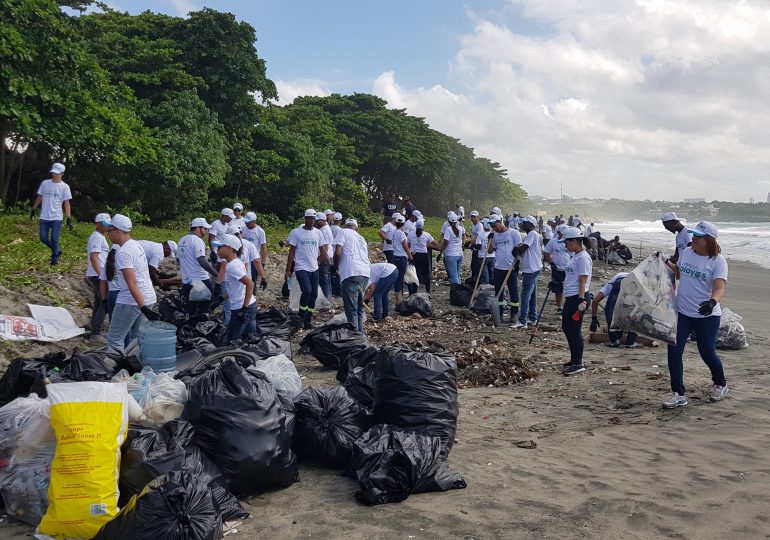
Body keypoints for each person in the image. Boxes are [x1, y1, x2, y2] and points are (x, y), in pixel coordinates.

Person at [662, 221, 728, 409]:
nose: (694, 239)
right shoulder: (688, 253)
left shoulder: (718, 261)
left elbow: (719, 287)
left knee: (707, 352)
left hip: (707, 314)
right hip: (683, 312)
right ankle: (678, 393)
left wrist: (712, 302)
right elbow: (679, 273)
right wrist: (665, 262)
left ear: (709, 241)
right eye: (694, 235)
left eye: (698, 237)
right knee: (674, 350)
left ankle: (720, 384)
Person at [106, 214, 159, 353]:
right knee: (139, 339)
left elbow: (132, 283)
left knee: (114, 339)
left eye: (109, 230)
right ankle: (138, 371)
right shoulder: (137, 245)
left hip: (131, 301)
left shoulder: (123, 252)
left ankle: (115, 370)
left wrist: (143, 308)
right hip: (148, 297)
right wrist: (145, 306)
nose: (108, 234)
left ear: (118, 230)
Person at [286, 209, 329, 329]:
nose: (312, 221)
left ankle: (308, 319)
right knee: (307, 291)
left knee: (314, 294)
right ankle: (301, 316)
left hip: (314, 268)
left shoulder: (318, 233)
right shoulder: (296, 232)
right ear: (305, 218)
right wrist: (288, 269)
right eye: (309, 218)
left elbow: (323, 250)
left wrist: (325, 263)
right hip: (301, 267)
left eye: (313, 219)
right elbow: (292, 251)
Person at [559, 227, 593, 375]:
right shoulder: (575, 256)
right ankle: (574, 359)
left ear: (574, 241)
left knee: (574, 330)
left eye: (566, 242)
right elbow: (571, 276)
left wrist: (581, 301)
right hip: (571, 296)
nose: (565, 245)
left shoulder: (583, 258)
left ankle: (578, 364)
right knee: (567, 328)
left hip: (578, 298)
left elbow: (582, 281)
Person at [216, 234, 257, 343]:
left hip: (242, 307)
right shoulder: (235, 263)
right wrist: (222, 297)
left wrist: (244, 309)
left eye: (220, 247)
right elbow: (237, 287)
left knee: (231, 341)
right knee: (251, 339)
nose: (217, 250)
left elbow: (250, 284)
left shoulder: (232, 266)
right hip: (249, 305)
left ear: (230, 248)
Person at [30, 162, 72, 265]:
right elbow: (40, 197)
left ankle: (54, 258)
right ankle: (57, 250)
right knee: (43, 237)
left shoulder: (65, 187)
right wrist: (33, 209)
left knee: (54, 238)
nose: (54, 175)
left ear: (62, 174)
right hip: (44, 216)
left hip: (56, 217)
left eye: (57, 173)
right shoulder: (45, 183)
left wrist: (69, 218)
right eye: (53, 173)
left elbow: (67, 203)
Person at [334, 218, 371, 332]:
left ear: (346, 225)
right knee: (359, 307)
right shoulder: (361, 238)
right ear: (356, 227)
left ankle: (355, 337)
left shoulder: (342, 232)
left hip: (351, 273)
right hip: (364, 273)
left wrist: (335, 266)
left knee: (351, 308)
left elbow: (338, 252)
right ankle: (361, 334)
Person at [177, 218, 218, 315]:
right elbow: (201, 260)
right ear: (198, 228)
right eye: (205, 229)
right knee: (204, 311)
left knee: (191, 310)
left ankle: (190, 329)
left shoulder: (182, 240)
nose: (206, 232)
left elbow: (179, 259)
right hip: (200, 280)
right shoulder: (198, 241)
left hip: (187, 281)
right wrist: (216, 274)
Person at [488, 214, 522, 325]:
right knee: (499, 293)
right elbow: (490, 251)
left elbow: (520, 249)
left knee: (513, 292)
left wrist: (517, 263)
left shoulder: (513, 233)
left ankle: (514, 315)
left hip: (511, 268)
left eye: (495, 225)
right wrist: (490, 239)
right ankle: (500, 314)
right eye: (492, 226)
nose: (494, 228)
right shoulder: (495, 235)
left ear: (501, 221)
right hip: (498, 268)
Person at [590, 273, 638, 348]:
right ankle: (630, 342)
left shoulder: (609, 285)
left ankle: (614, 340)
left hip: (619, 282)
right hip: (635, 283)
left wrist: (594, 318)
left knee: (610, 310)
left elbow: (595, 300)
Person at [84, 213, 112, 342]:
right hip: (97, 274)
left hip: (97, 273)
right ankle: (96, 332)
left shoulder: (100, 237)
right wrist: (102, 275)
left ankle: (93, 328)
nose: (107, 227)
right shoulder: (96, 238)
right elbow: (94, 257)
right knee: (104, 302)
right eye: (105, 225)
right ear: (98, 224)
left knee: (98, 302)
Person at [515, 216, 543, 328]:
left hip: (531, 268)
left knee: (525, 294)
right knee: (532, 294)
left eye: (525, 223)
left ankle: (522, 321)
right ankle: (532, 318)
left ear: (531, 224)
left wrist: (517, 247)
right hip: (535, 267)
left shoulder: (532, 234)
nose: (522, 225)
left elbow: (523, 248)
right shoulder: (531, 235)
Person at [543, 224, 571, 313]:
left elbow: (573, 255)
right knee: (558, 288)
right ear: (558, 233)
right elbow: (546, 253)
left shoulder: (569, 242)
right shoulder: (553, 242)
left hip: (568, 270)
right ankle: (559, 307)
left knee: (569, 288)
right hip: (557, 269)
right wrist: (551, 263)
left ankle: (568, 305)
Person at [407, 219, 437, 293]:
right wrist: (427, 245)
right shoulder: (426, 234)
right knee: (426, 273)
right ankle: (428, 291)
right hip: (424, 255)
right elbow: (435, 243)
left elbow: (408, 245)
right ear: (423, 226)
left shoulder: (410, 234)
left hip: (414, 255)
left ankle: (414, 292)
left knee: (415, 273)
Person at [390, 214, 414, 304]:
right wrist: (411, 257)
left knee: (398, 278)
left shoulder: (394, 232)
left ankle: (398, 298)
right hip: (402, 257)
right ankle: (398, 300)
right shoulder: (401, 234)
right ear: (403, 224)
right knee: (400, 278)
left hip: (395, 256)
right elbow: (406, 247)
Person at [436, 211, 465, 285]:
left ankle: (457, 291)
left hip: (451, 255)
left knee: (454, 276)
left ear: (448, 220)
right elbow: (464, 236)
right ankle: (459, 291)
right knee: (457, 274)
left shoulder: (448, 229)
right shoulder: (460, 228)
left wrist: (440, 253)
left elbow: (445, 242)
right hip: (460, 254)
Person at [315, 211, 335, 299]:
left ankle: (326, 299)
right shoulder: (324, 228)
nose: (315, 222)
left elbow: (325, 248)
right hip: (327, 257)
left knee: (324, 280)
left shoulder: (324, 230)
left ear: (323, 220)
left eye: (317, 221)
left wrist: (319, 260)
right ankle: (328, 297)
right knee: (326, 279)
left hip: (325, 258)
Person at [477, 217, 495, 285]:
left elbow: (479, 246)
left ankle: (486, 288)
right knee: (492, 273)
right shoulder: (493, 233)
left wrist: (473, 247)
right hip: (492, 256)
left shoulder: (480, 234)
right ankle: (492, 288)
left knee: (485, 275)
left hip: (482, 257)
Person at [468, 211, 483, 281]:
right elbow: (473, 235)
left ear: (478, 217)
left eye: (474, 217)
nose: (473, 218)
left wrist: (469, 242)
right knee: (473, 264)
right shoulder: (473, 225)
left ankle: (477, 278)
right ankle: (474, 276)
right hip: (474, 246)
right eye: (472, 217)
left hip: (478, 247)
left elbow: (478, 237)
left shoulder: (479, 226)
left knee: (476, 264)